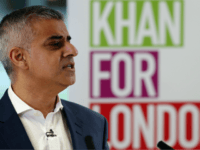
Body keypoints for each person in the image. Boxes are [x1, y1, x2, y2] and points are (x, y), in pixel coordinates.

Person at [0, 6, 109, 150]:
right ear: (19, 57)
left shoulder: (94, 122)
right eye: (55, 44)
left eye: (68, 41)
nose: (73, 51)